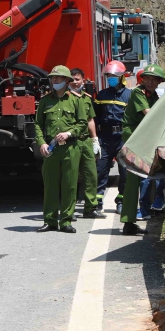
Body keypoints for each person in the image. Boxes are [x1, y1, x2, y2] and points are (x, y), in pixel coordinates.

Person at [34, 66, 88, 233]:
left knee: (69, 185)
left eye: (58, 78)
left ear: (66, 81)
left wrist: (69, 133)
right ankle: (49, 220)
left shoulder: (76, 100)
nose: (54, 81)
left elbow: (82, 123)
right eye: (52, 78)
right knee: (50, 185)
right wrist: (42, 143)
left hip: (70, 148)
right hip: (51, 150)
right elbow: (38, 125)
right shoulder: (45, 101)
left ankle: (65, 221)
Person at [120, 64, 165, 235]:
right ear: (142, 79)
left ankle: (141, 213)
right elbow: (150, 114)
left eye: (154, 79)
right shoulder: (138, 93)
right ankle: (128, 221)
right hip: (134, 139)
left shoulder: (155, 97)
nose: (150, 81)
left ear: (159, 81)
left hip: (145, 140)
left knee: (147, 179)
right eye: (147, 78)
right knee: (133, 181)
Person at [94, 61, 132, 215]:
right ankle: (97, 202)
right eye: (109, 76)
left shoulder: (130, 95)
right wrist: (95, 138)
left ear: (122, 77)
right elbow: (95, 117)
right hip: (105, 137)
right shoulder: (102, 95)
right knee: (100, 171)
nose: (111, 78)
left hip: (122, 137)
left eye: (114, 76)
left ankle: (121, 201)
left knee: (125, 173)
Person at [69, 68, 105, 219]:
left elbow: (90, 120)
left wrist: (95, 139)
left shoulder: (86, 98)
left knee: (91, 175)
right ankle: (68, 211)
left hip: (86, 140)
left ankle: (90, 208)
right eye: (72, 79)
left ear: (83, 80)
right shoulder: (64, 98)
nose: (75, 82)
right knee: (70, 177)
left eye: (78, 79)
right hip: (71, 141)